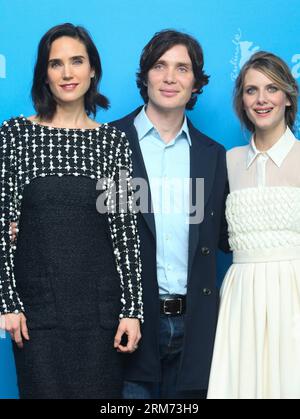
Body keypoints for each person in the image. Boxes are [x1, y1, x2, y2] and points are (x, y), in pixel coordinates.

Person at [0, 23, 143, 399]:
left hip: (100, 315)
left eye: (76, 61)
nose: (67, 73)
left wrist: (132, 310)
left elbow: (125, 230)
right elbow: (2, 223)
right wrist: (8, 301)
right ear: (44, 75)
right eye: (56, 64)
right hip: (38, 315)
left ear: (92, 69)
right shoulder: (15, 136)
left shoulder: (113, 141)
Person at [112, 29, 229, 399]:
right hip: (131, 326)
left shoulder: (214, 156)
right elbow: (101, 233)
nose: (169, 78)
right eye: (160, 66)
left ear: (196, 83)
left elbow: (229, 236)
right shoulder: (111, 144)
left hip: (198, 327)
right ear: (145, 74)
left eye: (182, 68)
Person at [207, 51, 300, 399]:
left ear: (288, 96)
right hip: (241, 296)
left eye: (271, 88)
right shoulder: (228, 161)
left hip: (294, 296)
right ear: (241, 100)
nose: (261, 99)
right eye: (251, 90)